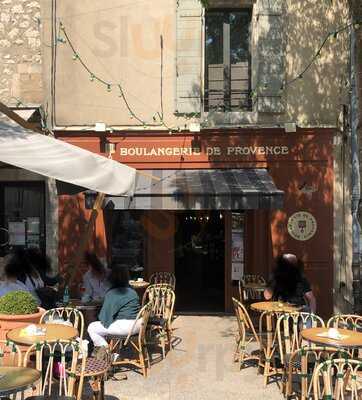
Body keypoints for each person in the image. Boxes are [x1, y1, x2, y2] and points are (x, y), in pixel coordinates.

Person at [87, 264, 141, 358]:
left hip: (125, 328)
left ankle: (108, 356)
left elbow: (105, 318)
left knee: (92, 327)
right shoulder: (132, 291)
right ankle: (109, 354)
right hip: (137, 325)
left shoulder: (113, 293)